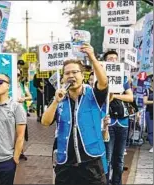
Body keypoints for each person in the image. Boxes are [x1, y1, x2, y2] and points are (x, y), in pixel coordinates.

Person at [42, 43, 109, 185]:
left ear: (83, 75)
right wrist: (55, 101)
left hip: (91, 163)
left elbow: (103, 82)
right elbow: (45, 122)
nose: (71, 76)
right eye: (67, 73)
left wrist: (92, 57)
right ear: (63, 78)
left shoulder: (93, 94)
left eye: (75, 72)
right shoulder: (59, 97)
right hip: (65, 165)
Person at [103, 50, 133, 185]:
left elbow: (130, 97)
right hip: (107, 123)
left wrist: (115, 96)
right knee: (107, 158)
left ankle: (117, 182)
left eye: (115, 58)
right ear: (105, 62)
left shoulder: (123, 78)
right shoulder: (100, 80)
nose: (113, 60)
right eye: (110, 58)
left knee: (119, 159)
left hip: (122, 122)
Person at [17, 69, 32, 160]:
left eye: (18, 75)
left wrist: (24, 99)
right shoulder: (8, 85)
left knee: (21, 133)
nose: (16, 77)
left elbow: (30, 96)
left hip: (21, 111)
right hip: (9, 112)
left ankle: (20, 152)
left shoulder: (22, 85)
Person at [143, 76, 153, 153]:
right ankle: (152, 145)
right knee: (150, 130)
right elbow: (145, 101)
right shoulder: (147, 90)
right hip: (149, 112)